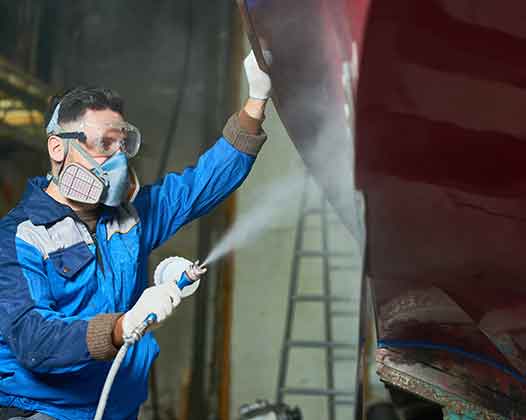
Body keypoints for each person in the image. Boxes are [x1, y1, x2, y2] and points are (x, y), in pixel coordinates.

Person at [0, 50, 272, 420]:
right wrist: (121, 327)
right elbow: (34, 339)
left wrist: (256, 101)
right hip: (43, 411)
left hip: (118, 408)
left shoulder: (128, 220)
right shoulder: (20, 238)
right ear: (57, 147)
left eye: (122, 144)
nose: (118, 160)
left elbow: (200, 185)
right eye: (104, 144)